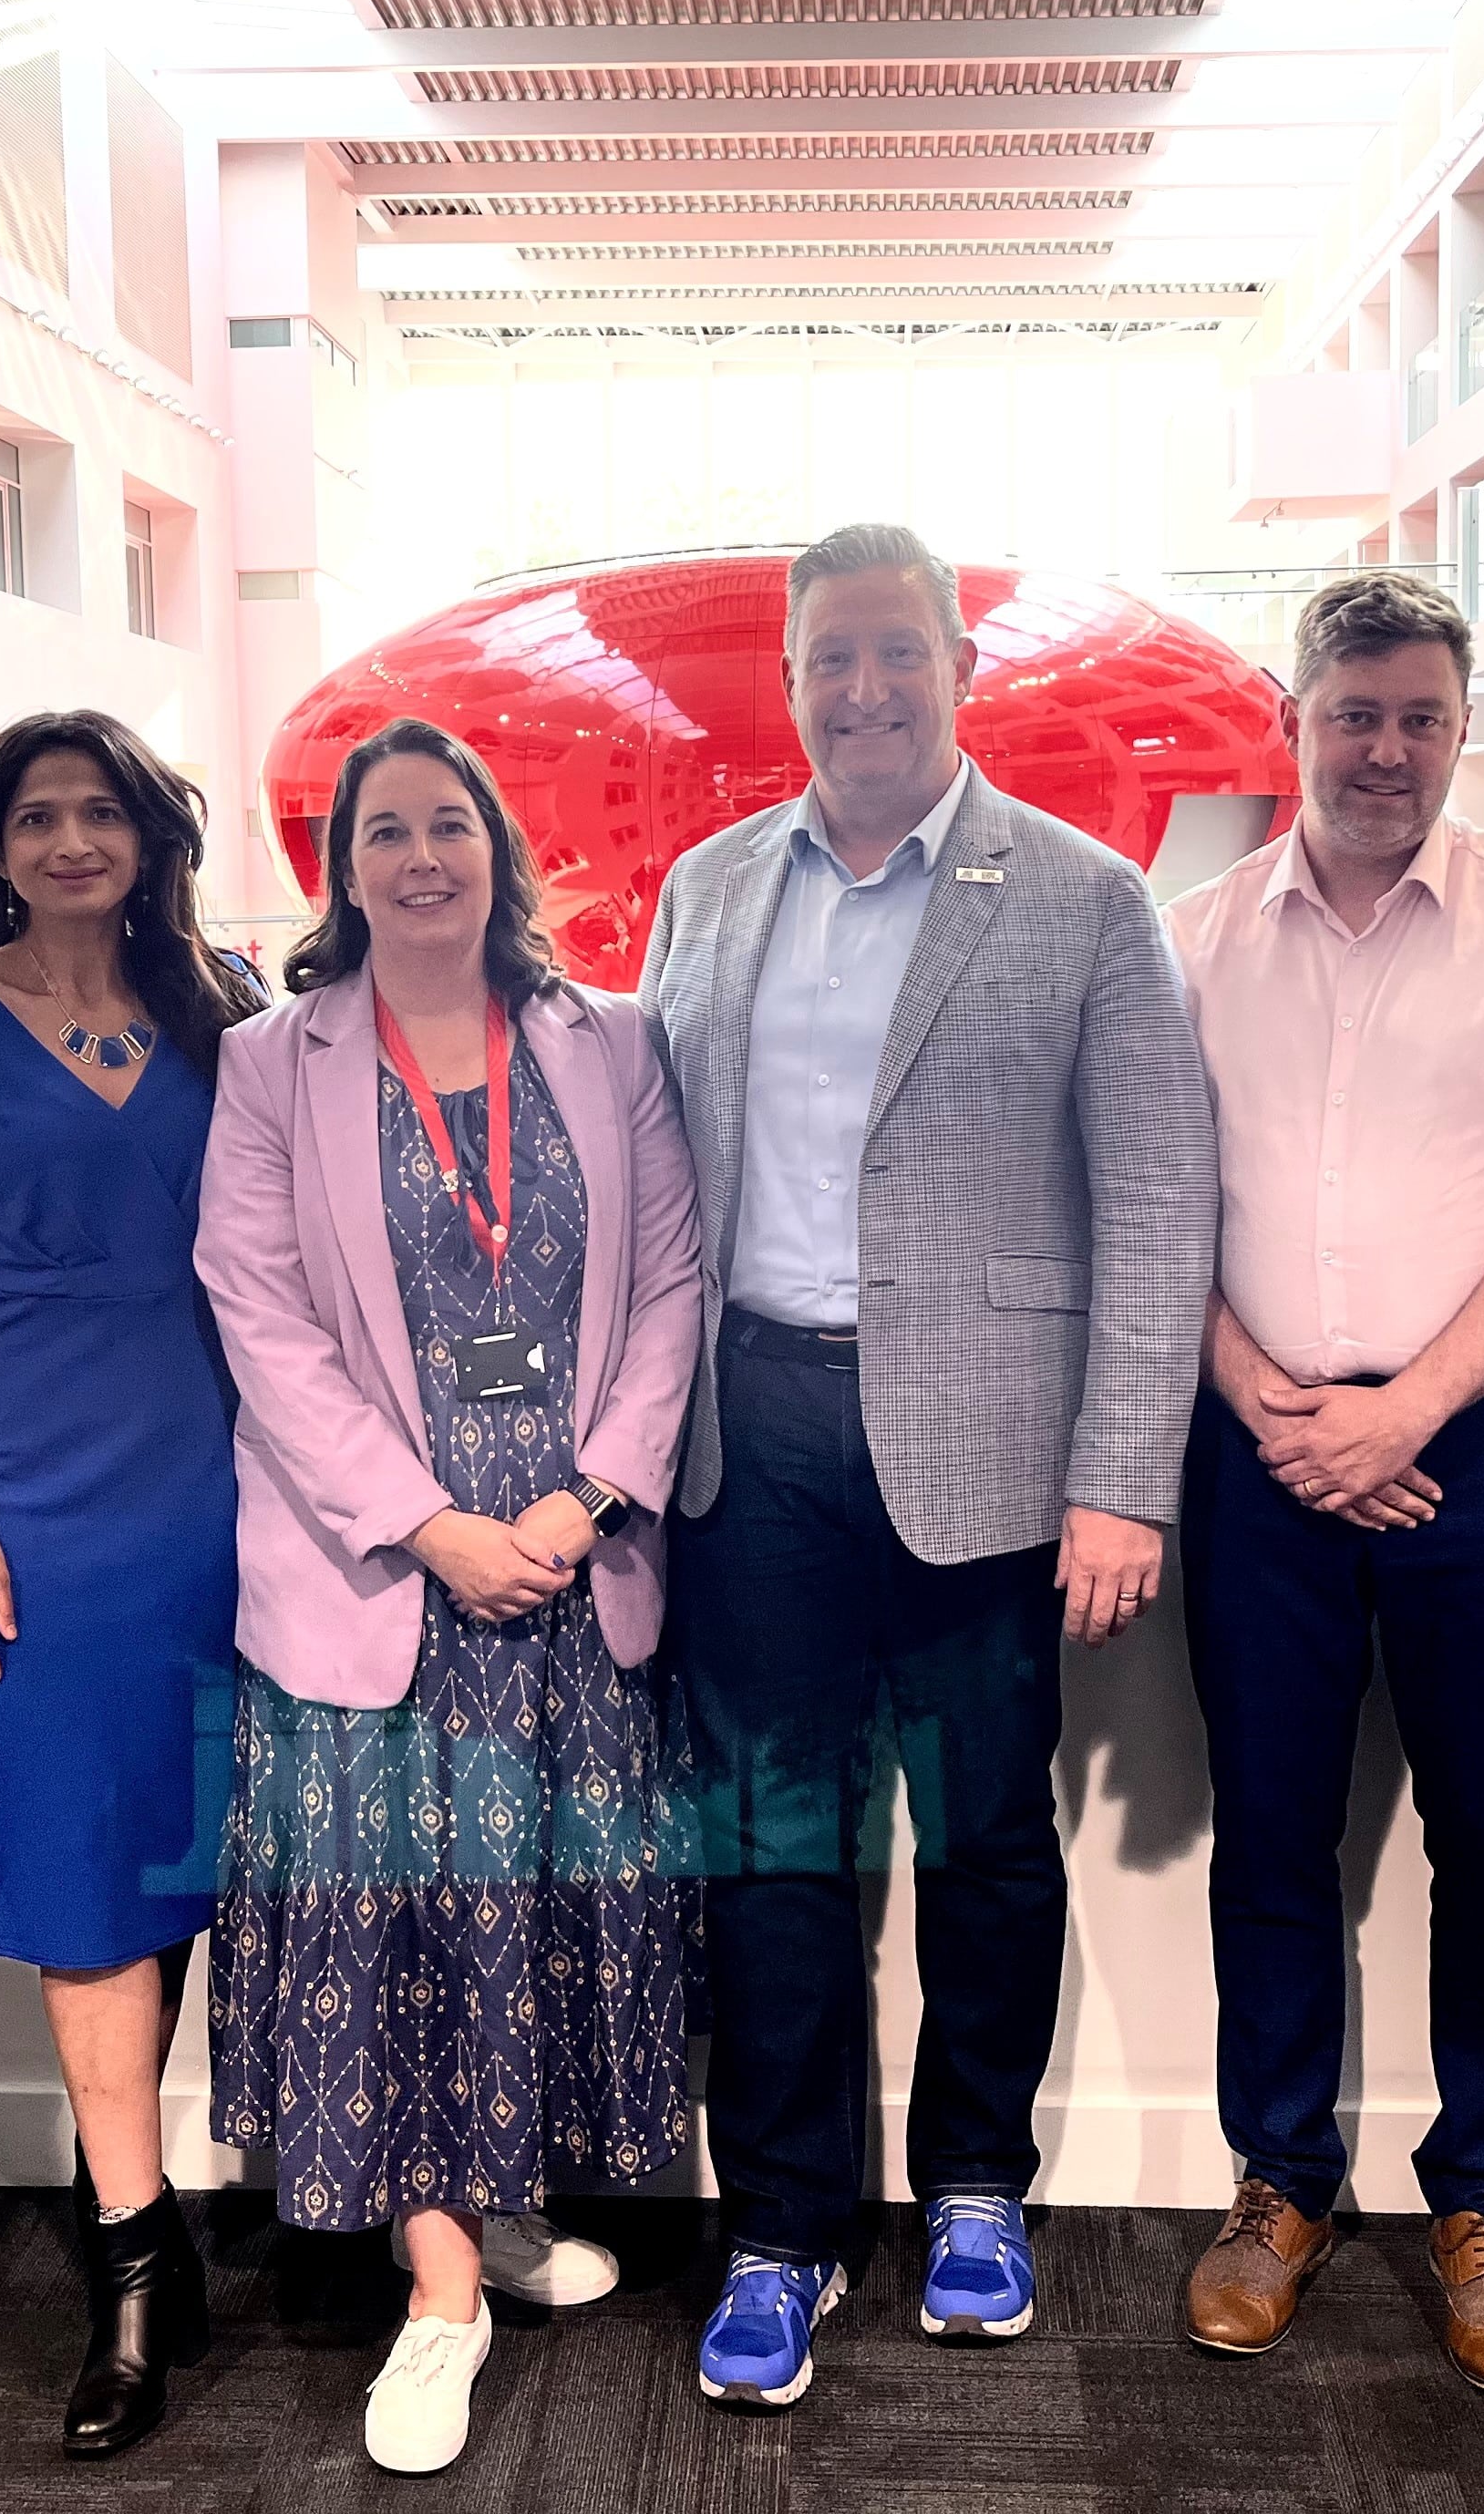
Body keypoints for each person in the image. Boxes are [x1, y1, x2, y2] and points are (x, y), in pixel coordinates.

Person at [636, 522, 1217, 2411]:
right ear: (790, 682)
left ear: (960, 669)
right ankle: (783, 2227)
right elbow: (658, 1189)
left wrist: (1124, 1476)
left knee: (980, 1840)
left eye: (900, 654)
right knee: (775, 1853)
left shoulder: (1080, 898)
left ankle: (977, 2186)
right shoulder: (710, 892)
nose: (866, 690)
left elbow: (1156, 1202)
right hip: (759, 1446)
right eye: (833, 660)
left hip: (990, 1455)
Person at [1164, 566, 1484, 2401]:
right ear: (1296, 720)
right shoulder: (1199, 937)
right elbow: (1158, 1206)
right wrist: (1274, 1398)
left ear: (1462, 729)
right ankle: (1282, 2180)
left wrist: (1408, 1414)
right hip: (1257, 1440)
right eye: (1353, 712)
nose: (1385, 749)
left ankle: (1481, 2199)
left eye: (1420, 718)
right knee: (1273, 1833)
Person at [199, 719, 704, 2476]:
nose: (422, 858)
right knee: (400, 1925)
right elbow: (254, 1316)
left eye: (449, 825)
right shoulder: (277, 1063)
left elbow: (671, 1286)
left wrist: (585, 1494)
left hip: (573, 1563)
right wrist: (431, 1524)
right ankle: (439, 2298)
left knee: (527, 1908)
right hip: (384, 1580)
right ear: (344, 869)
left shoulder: (607, 1041)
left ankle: (487, 2204)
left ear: (498, 846)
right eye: (385, 831)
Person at [0, 710, 262, 2459]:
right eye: (36, 816)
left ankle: (233, 2196)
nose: (72, 841)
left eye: (101, 811)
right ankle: (128, 2256)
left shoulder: (226, 1001)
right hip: (43, 1504)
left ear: (149, 834)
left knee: (226, 1842)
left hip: (246, 1487)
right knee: (84, 1867)